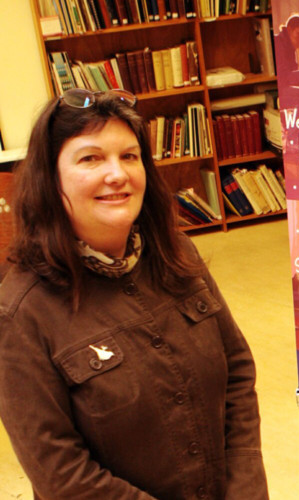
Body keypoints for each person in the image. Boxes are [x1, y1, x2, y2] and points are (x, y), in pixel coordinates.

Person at [0, 88, 268, 499]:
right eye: (90, 158)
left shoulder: (177, 253)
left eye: (129, 156)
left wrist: (245, 490)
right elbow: (60, 474)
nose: (118, 174)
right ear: (49, 179)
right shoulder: (21, 311)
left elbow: (237, 371)